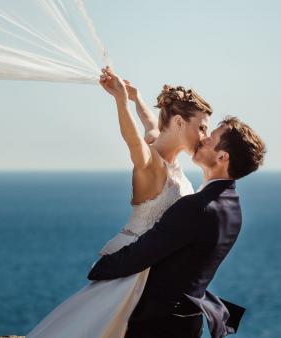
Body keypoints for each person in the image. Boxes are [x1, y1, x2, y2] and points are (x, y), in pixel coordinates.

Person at [27, 66, 213, 338]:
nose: (205, 137)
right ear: (179, 123)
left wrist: (137, 100)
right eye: (202, 127)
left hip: (152, 268)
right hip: (133, 272)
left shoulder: (162, 150)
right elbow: (133, 141)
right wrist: (121, 100)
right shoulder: (150, 165)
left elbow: (150, 125)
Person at [88, 116, 266, 338]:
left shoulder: (197, 207)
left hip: (158, 326)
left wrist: (100, 268)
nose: (203, 139)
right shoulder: (234, 208)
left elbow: (142, 253)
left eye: (211, 138)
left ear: (222, 156)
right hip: (189, 324)